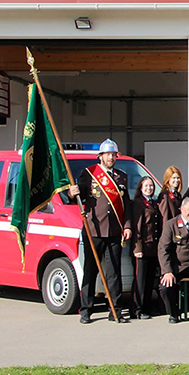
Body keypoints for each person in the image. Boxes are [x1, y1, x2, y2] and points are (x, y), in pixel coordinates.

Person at [68, 138, 131, 324]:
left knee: (114, 273)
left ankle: (115, 309)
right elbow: (78, 198)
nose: (111, 158)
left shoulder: (121, 177)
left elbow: (125, 204)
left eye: (113, 155)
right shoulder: (89, 174)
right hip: (93, 230)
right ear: (100, 156)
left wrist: (126, 226)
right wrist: (72, 193)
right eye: (108, 154)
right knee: (90, 271)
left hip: (114, 231)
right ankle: (86, 310)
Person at [129, 175, 161, 319]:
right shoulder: (138, 203)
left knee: (149, 280)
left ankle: (146, 307)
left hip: (152, 248)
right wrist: (138, 248)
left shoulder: (153, 203)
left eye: (151, 186)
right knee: (140, 281)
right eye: (146, 186)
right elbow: (136, 227)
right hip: (141, 248)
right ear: (141, 188)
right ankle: (137, 309)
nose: (149, 188)